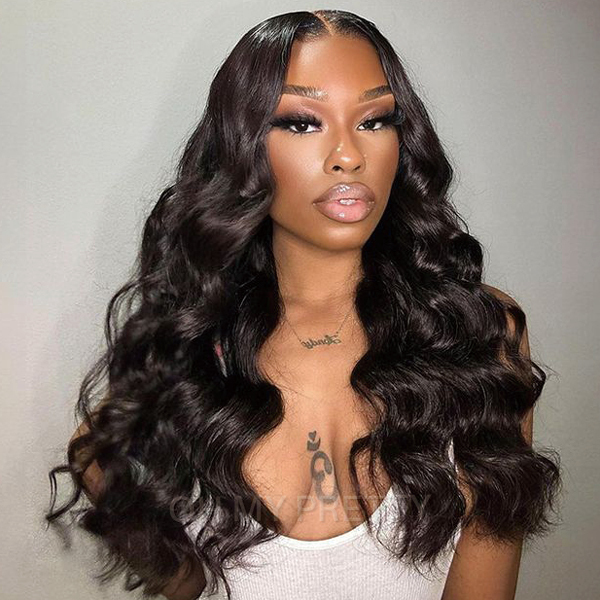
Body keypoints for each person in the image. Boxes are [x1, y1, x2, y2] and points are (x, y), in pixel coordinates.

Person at [45, 9, 562, 600]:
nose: (348, 156)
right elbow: (101, 466)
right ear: (242, 149)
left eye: (374, 119)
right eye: (301, 123)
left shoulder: (480, 339)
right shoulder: (186, 363)